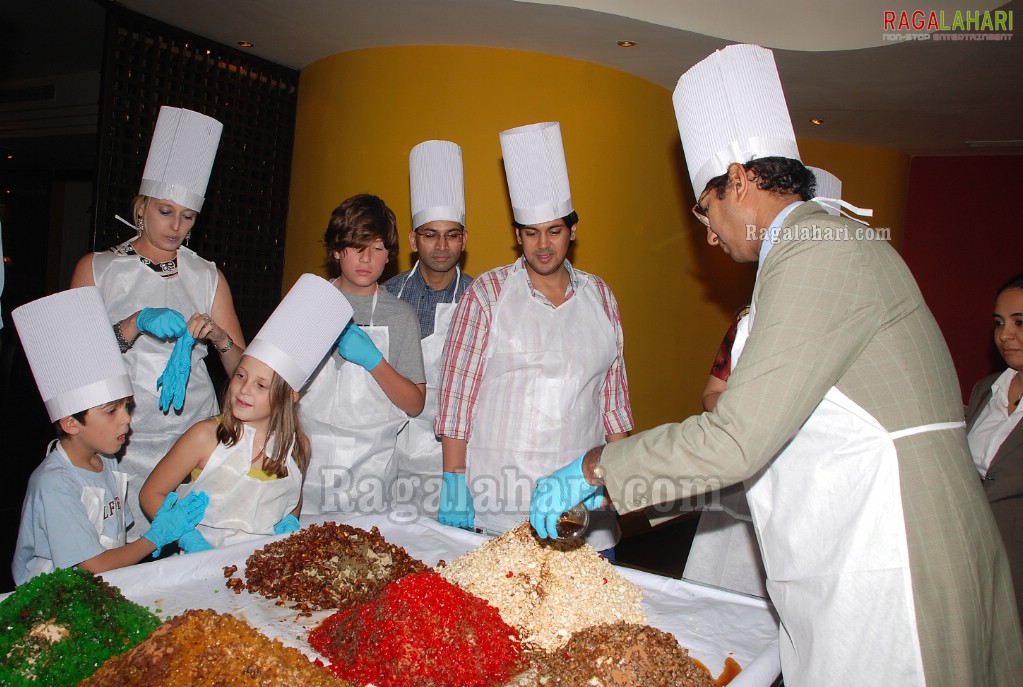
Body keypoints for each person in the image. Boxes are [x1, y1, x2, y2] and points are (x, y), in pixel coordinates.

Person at [530, 44, 1023, 686]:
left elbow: (737, 439)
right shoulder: (816, 246)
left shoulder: (818, 251)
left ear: (738, 181)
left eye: (705, 211)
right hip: (857, 543)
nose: (709, 233)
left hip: (893, 557)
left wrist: (598, 468)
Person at [436, 122, 633, 552]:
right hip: (500, 505)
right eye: (530, 233)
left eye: (555, 231)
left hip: (583, 505)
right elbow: (457, 397)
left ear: (573, 231)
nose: (543, 245)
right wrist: (454, 478)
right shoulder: (487, 294)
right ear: (517, 235)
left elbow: (614, 404)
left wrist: (618, 477)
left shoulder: (601, 296)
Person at [69, 107, 245, 541]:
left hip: (192, 438)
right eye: (166, 211)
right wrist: (132, 324)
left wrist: (220, 338)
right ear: (142, 206)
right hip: (122, 436)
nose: (176, 226)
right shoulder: (98, 269)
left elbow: (243, 370)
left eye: (187, 217)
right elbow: (74, 368)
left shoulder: (207, 275)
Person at [140, 275, 354, 548]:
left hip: (260, 565)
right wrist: (185, 537)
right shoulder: (206, 437)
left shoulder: (298, 446)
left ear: (289, 398)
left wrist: (286, 525)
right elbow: (151, 493)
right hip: (198, 566)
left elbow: (291, 504)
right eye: (240, 376)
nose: (244, 389)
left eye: (261, 385)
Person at [11, 287, 207, 585]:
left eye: (126, 406)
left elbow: (112, 543)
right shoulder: (54, 484)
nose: (127, 418)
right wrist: (155, 538)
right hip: (52, 601)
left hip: (99, 590)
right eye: (111, 411)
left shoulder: (106, 462)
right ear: (71, 423)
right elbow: (93, 565)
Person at [300, 194, 426, 515]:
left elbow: (415, 403)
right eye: (357, 246)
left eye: (378, 248)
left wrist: (374, 361)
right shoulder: (308, 303)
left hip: (372, 481)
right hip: (305, 473)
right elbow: (275, 390)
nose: (367, 259)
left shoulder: (401, 316)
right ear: (336, 250)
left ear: (390, 257)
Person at [383, 140, 473, 517]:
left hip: (454, 460)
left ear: (464, 240)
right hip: (390, 456)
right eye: (430, 234)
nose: (441, 245)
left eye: (452, 234)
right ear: (412, 239)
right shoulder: (387, 295)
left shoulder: (480, 300)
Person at [966, 271, 1023, 619]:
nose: (1005, 335)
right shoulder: (985, 390)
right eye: (999, 322)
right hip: (966, 558)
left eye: (1020, 322)